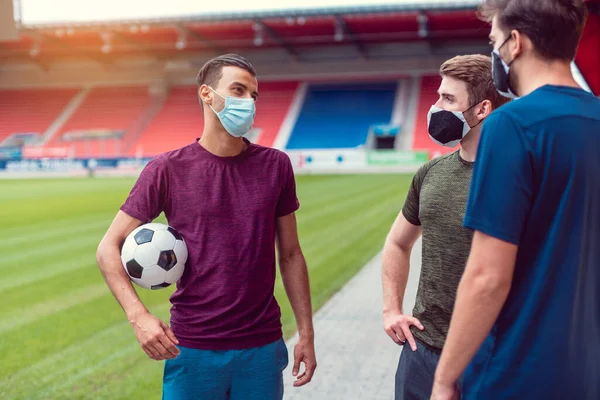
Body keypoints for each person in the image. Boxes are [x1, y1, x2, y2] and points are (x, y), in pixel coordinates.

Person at [96, 53, 316, 400]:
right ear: (207, 94)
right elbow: (108, 247)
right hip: (193, 347)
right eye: (238, 90)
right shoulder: (167, 169)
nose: (248, 103)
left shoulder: (276, 166)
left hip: (261, 346)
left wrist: (306, 332)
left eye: (253, 95)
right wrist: (138, 315)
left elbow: (290, 255)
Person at [431, 1, 600, 399]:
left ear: (515, 43)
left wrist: (443, 378)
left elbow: (487, 277)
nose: (495, 53)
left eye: (494, 41)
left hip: (516, 372)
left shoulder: (511, 126)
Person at [381, 54, 509, 400]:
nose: (435, 107)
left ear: (482, 109)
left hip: (492, 357)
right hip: (422, 352)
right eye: (438, 96)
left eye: (448, 99)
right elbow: (396, 243)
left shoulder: (516, 177)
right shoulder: (430, 174)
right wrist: (391, 309)